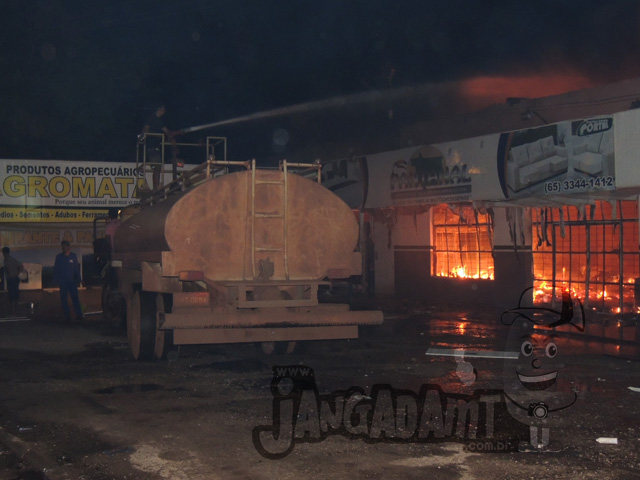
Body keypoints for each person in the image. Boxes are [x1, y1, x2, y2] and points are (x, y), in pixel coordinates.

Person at [139, 104, 183, 189]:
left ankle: (156, 187)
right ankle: (156, 188)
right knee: (157, 167)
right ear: (159, 109)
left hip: (155, 147)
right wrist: (149, 136)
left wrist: (177, 132)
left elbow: (168, 132)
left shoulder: (158, 121)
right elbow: (145, 130)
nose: (165, 110)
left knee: (157, 167)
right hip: (152, 147)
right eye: (163, 108)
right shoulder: (152, 118)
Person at [54, 240, 84, 321]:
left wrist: (79, 279)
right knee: (64, 300)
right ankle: (67, 316)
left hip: (72, 282)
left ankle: (79, 315)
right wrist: (57, 280)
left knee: (75, 299)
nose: (64, 248)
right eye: (63, 246)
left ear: (69, 247)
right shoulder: (59, 257)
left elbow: (76, 269)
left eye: (66, 246)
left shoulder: (73, 256)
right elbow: (56, 269)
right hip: (63, 282)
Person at [2, 247, 24, 315]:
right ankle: (14, 309)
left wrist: (15, 274)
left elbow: (21, 266)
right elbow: (20, 266)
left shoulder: (8, 259)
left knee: (12, 294)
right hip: (13, 278)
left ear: (4, 253)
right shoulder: (7, 259)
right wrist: (16, 273)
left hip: (12, 279)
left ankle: (13, 310)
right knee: (14, 293)